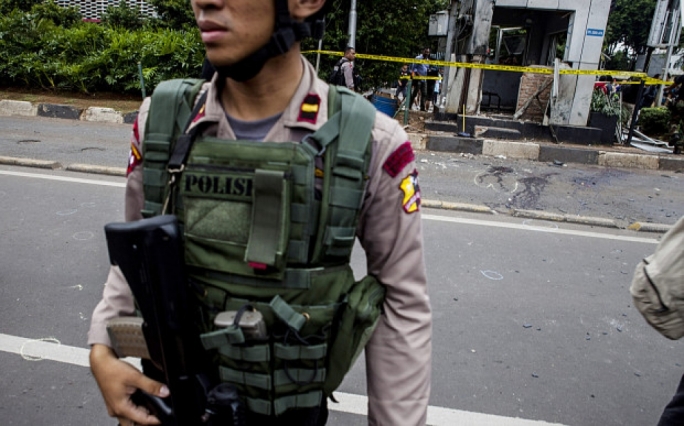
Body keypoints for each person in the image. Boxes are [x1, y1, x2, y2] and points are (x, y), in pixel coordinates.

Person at [87, 1, 432, 426]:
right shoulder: (161, 121)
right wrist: (101, 348)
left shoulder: (371, 142)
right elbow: (137, 254)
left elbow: (401, 303)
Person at [410, 47, 430, 111]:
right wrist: (417, 74)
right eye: (426, 52)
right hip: (418, 78)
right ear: (423, 51)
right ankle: (409, 105)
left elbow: (427, 68)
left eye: (428, 52)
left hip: (424, 79)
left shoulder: (428, 60)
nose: (427, 53)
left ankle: (422, 108)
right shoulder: (418, 58)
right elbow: (414, 68)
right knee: (415, 93)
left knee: (424, 93)